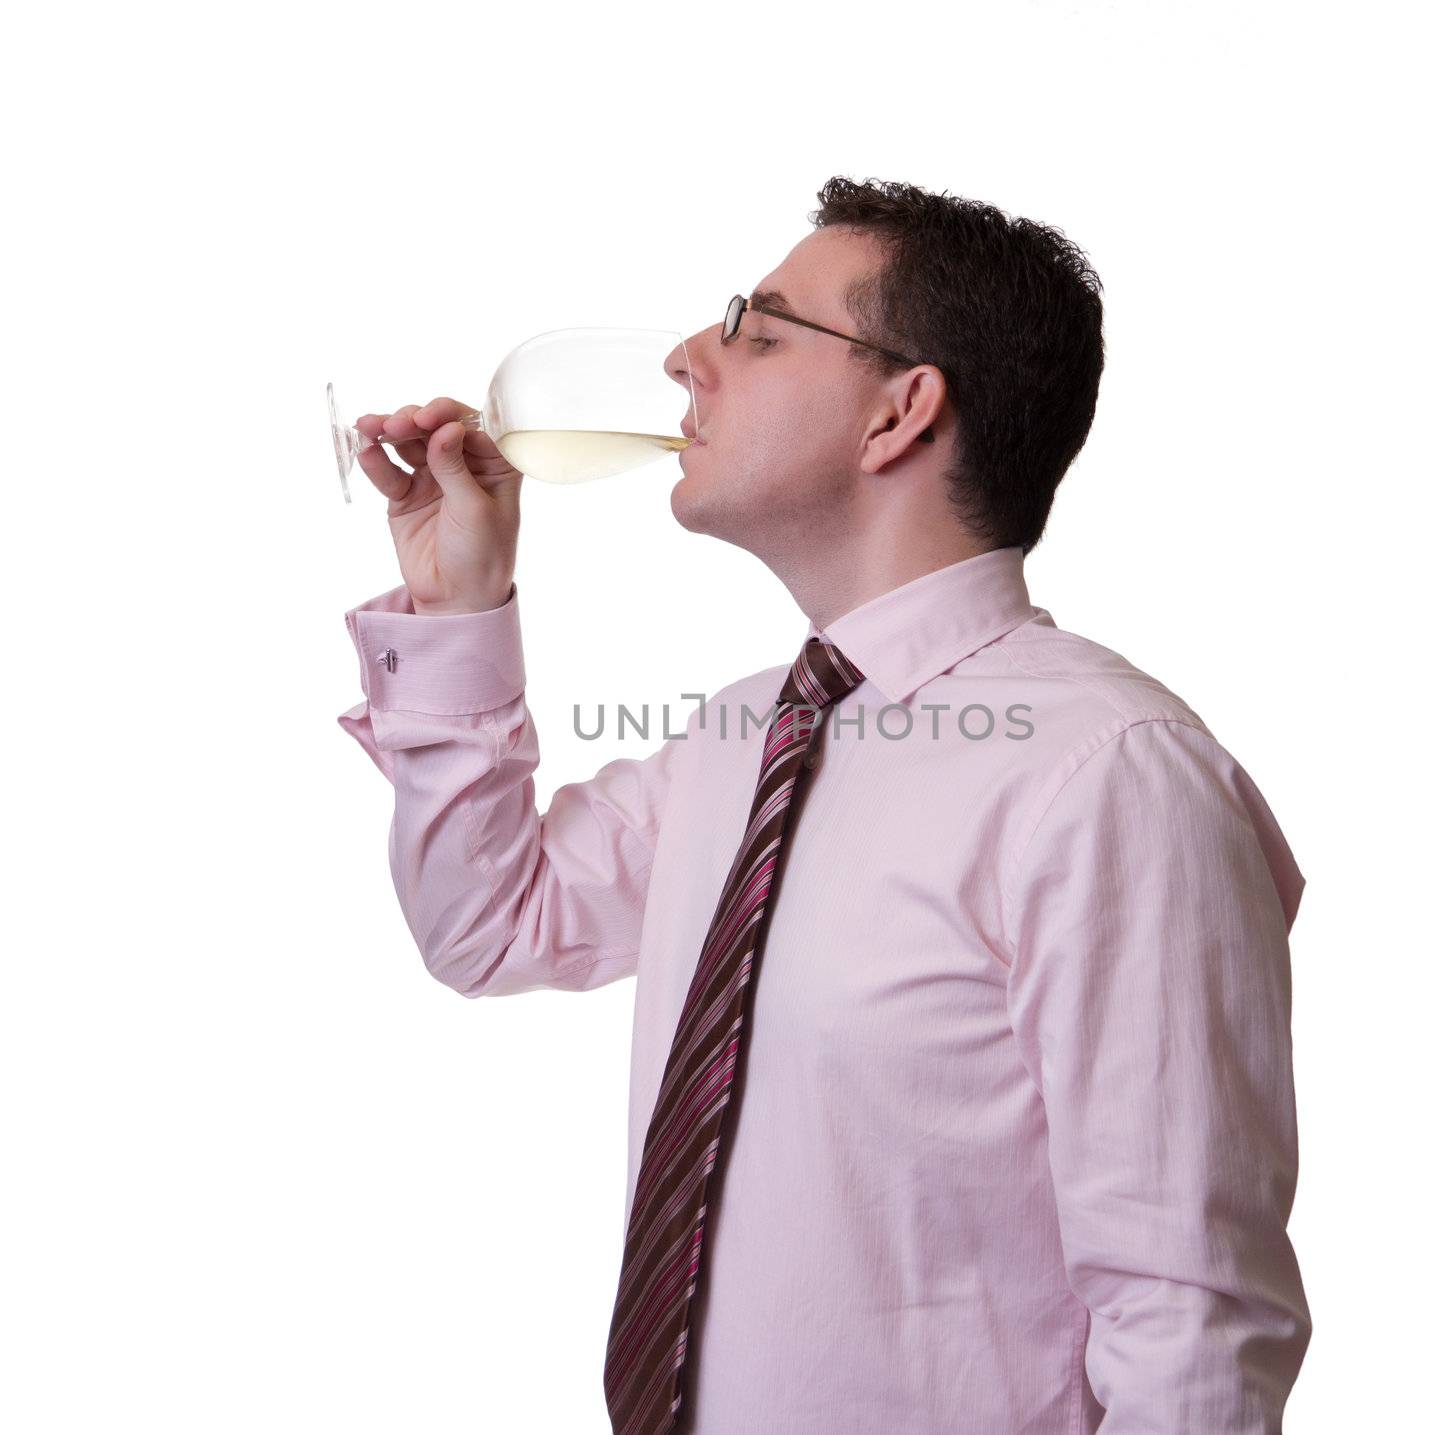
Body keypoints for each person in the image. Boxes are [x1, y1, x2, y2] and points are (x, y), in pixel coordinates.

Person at [336, 175, 1311, 1433]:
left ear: (901, 412)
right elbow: (491, 925)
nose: (691, 358)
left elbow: (1188, 1327)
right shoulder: (745, 731)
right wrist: (462, 604)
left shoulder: (1112, 773)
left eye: (759, 328)